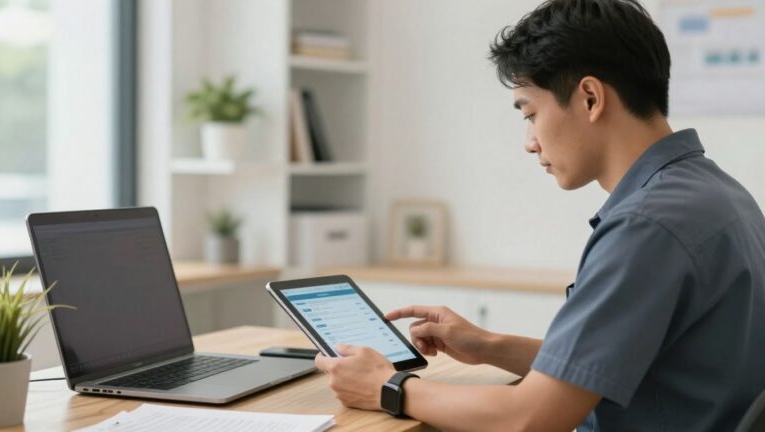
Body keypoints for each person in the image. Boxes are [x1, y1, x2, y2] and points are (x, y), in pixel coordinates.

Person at [314, 0, 765, 430]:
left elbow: (530, 419)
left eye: (530, 113)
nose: (530, 142)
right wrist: (488, 345)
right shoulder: (718, 194)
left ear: (590, 98)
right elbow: (613, 366)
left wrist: (388, 387)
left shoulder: (646, 226)